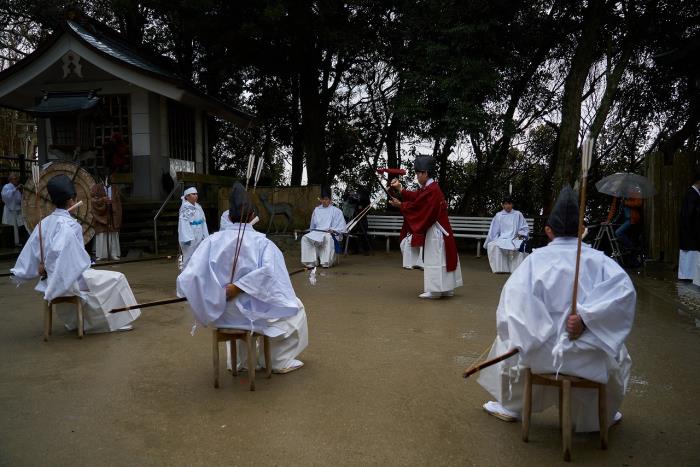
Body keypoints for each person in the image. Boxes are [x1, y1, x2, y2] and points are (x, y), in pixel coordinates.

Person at [478, 187, 636, 432]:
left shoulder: (533, 262)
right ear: (582, 230)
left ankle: (511, 406)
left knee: (507, 341)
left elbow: (510, 315)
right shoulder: (602, 262)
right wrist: (588, 321)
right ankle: (599, 415)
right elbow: (623, 297)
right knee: (620, 352)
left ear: (548, 231)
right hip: (588, 355)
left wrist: (541, 334)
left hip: (540, 355)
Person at [177, 182, 308, 373]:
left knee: (246, 306)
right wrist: (240, 287)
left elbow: (188, 279)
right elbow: (271, 276)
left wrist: (216, 292)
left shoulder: (212, 242)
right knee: (296, 308)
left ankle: (240, 362)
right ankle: (278, 361)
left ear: (229, 217)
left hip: (222, 313)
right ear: (252, 217)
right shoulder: (263, 244)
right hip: (251, 314)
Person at [10, 174, 140, 333]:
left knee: (102, 278)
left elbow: (31, 252)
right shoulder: (70, 226)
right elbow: (70, 260)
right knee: (118, 278)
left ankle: (81, 321)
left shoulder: (44, 223)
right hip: (70, 279)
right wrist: (82, 263)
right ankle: (116, 322)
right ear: (71, 201)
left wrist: (33, 269)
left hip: (50, 281)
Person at [389, 155, 462, 298]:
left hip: (436, 229)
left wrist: (401, 205)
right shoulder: (430, 187)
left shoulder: (432, 189)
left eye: (418, 173)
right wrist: (401, 189)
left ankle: (435, 290)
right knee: (444, 258)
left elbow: (419, 208)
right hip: (441, 228)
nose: (417, 176)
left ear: (425, 173)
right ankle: (446, 288)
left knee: (435, 258)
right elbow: (418, 198)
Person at [301, 186, 347, 268]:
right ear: (321, 200)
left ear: (330, 200)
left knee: (327, 237)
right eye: (323, 199)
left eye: (327, 199)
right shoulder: (317, 210)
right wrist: (312, 232)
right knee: (305, 238)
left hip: (330, 233)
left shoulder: (336, 211)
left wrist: (333, 230)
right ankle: (312, 261)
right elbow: (313, 226)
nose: (325, 201)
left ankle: (326, 262)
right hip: (317, 232)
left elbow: (341, 226)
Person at [484, 196, 530, 273]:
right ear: (503, 205)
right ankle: (501, 269)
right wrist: (492, 239)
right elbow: (494, 230)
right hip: (503, 238)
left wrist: (520, 234)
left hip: (516, 237)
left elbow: (524, 227)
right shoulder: (499, 215)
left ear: (512, 205)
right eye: (506, 204)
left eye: (510, 203)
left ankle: (517, 269)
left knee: (521, 244)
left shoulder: (518, 214)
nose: (508, 206)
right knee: (493, 245)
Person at [90, 175, 122, 261]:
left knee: (113, 233)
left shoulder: (115, 188)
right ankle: (101, 254)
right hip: (102, 214)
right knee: (102, 234)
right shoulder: (96, 188)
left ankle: (114, 253)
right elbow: (93, 200)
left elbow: (118, 201)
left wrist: (113, 204)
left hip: (112, 213)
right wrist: (102, 200)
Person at [178, 186, 209, 268]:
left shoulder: (198, 206)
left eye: (196, 194)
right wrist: (187, 237)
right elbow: (183, 223)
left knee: (199, 255)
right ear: (187, 196)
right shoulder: (185, 207)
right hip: (190, 234)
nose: (196, 196)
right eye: (193, 194)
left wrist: (205, 235)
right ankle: (185, 275)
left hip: (199, 233)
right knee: (188, 256)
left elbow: (203, 221)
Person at [678, 171, 700, 282]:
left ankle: (688, 276)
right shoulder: (692, 195)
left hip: (689, 231)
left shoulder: (693, 194)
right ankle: (688, 277)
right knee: (690, 256)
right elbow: (690, 215)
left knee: (690, 257)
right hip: (691, 231)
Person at [2, 172, 25, 247]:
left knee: (16, 226)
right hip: (9, 210)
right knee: (11, 226)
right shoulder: (7, 186)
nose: (16, 181)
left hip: (15, 209)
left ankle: (16, 242)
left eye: (17, 179)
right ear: (11, 179)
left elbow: (18, 199)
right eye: (15, 179)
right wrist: (16, 189)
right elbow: (6, 196)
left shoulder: (16, 188)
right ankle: (11, 243)